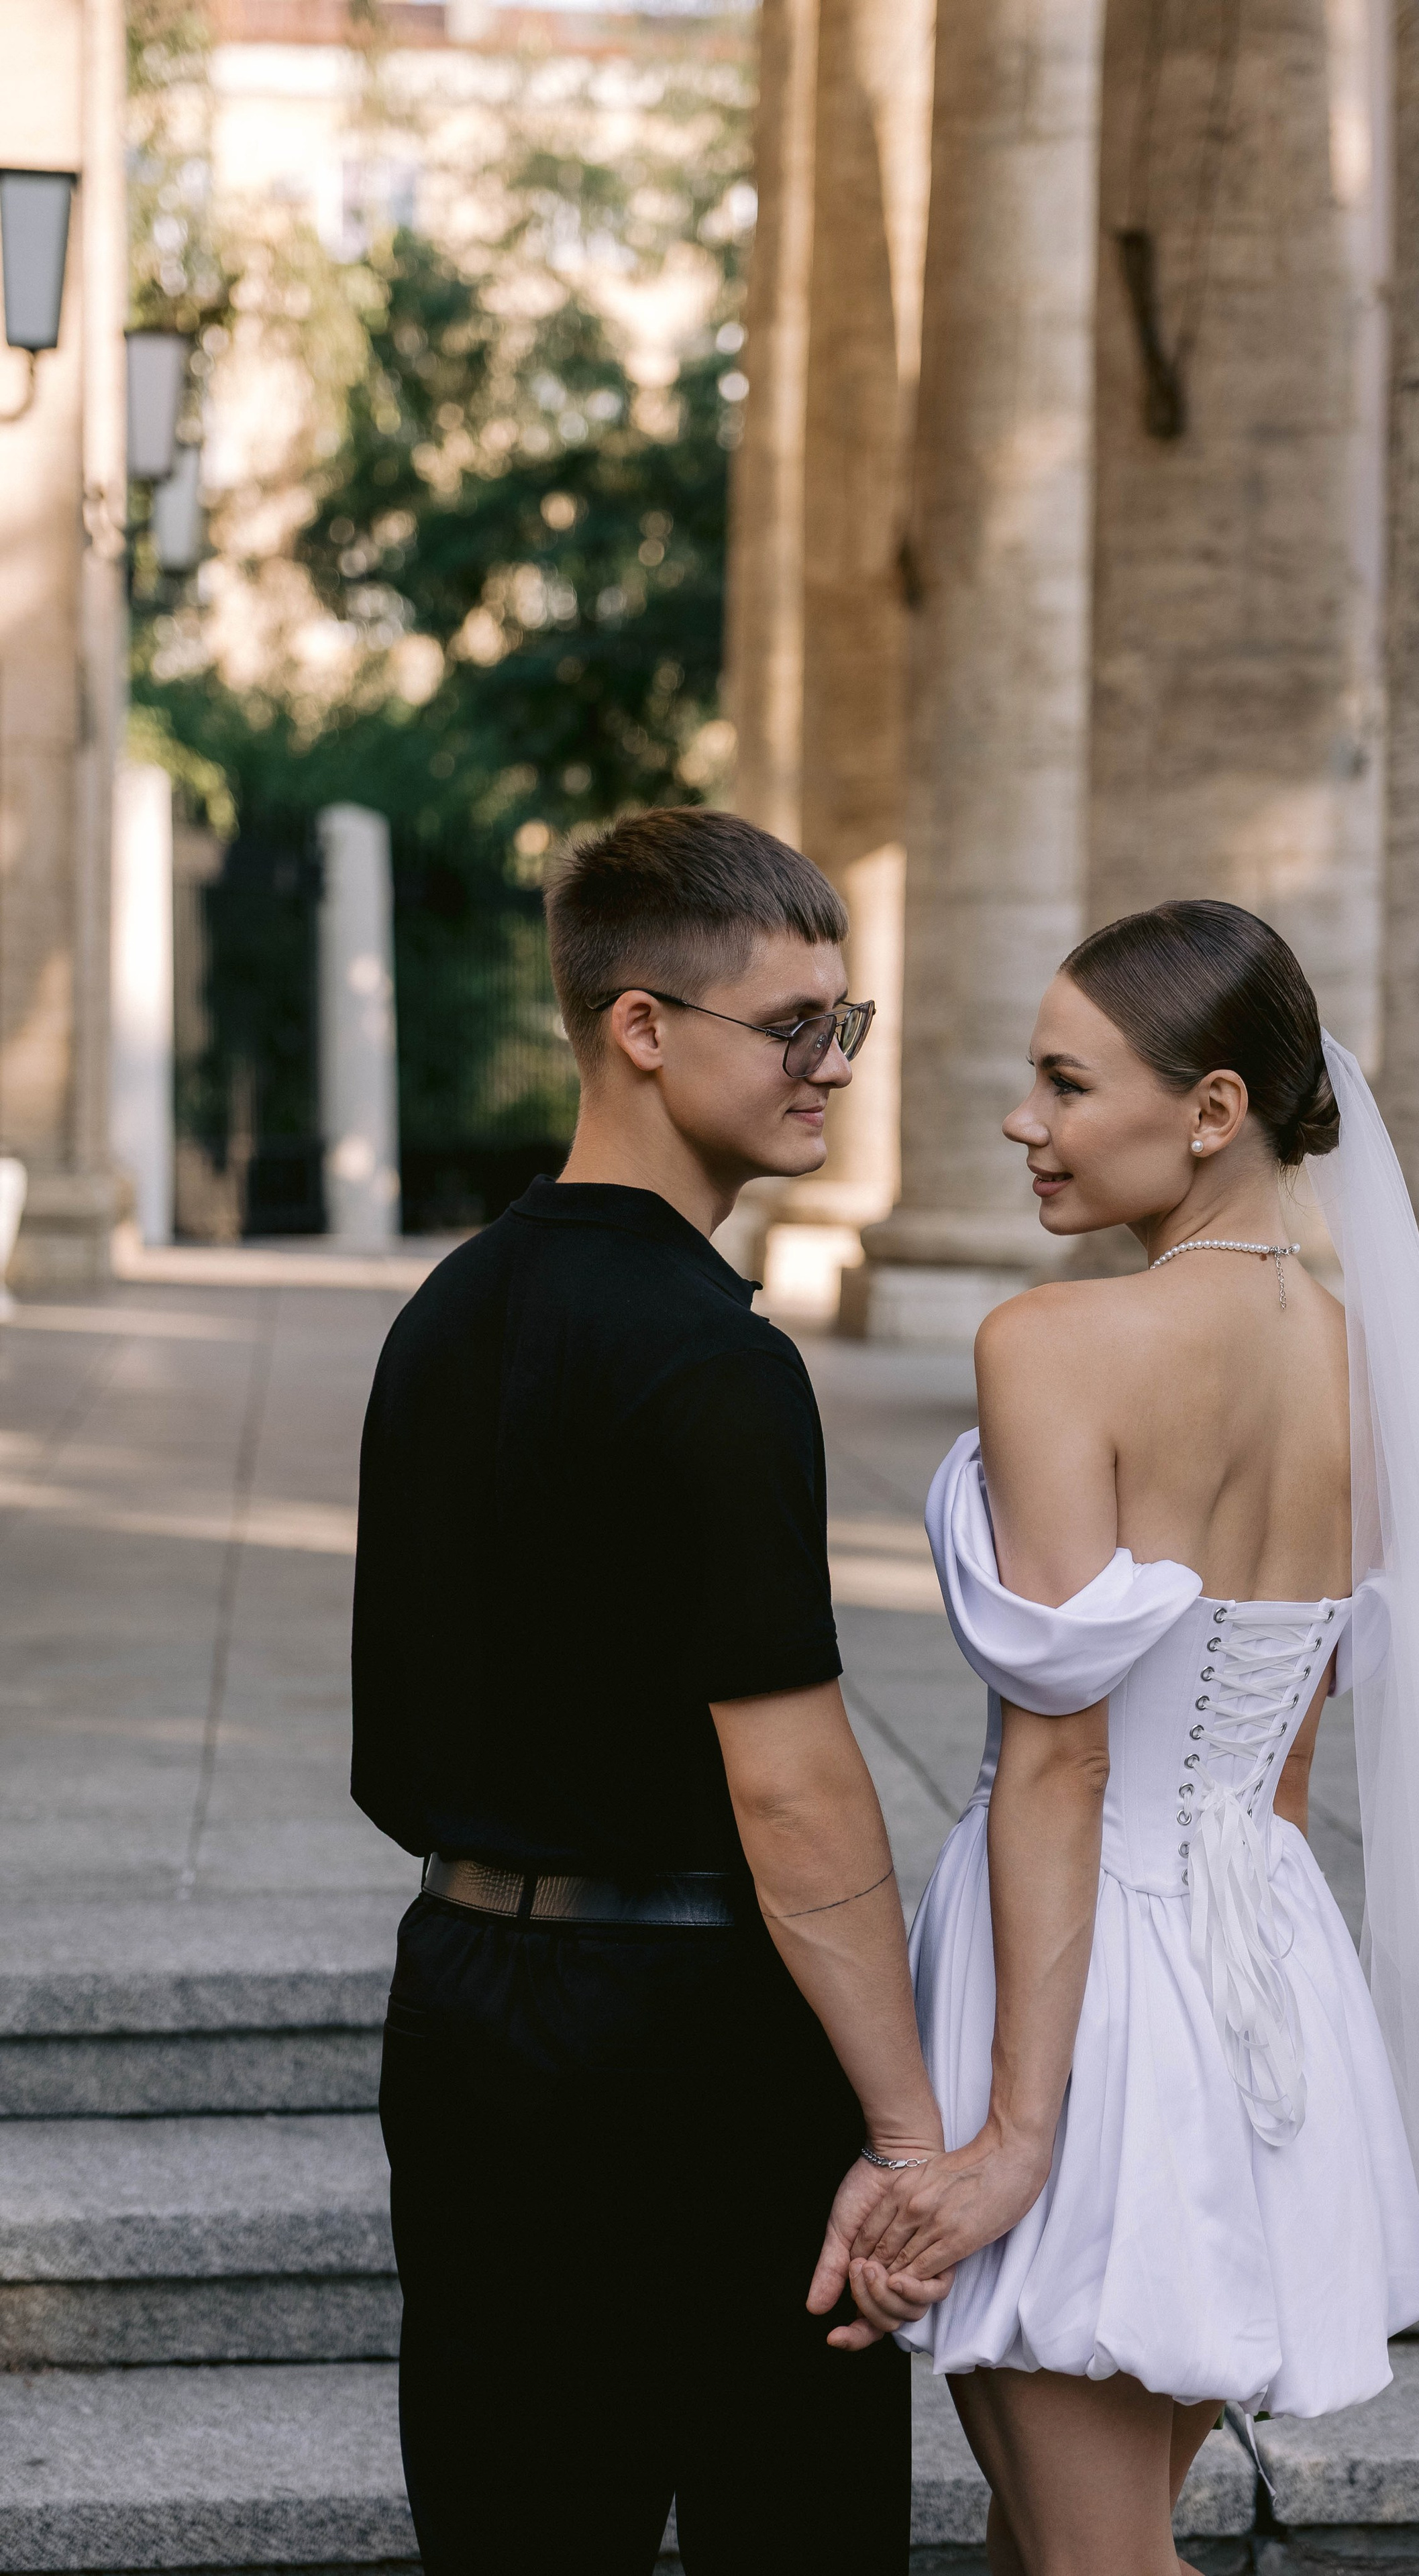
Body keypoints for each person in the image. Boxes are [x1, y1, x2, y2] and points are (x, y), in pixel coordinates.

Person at [833, 902, 1419, 2576]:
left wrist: (1014, 2132)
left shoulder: (1052, 1344)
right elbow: (1283, 1763)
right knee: (1065, 2540)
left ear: (1210, 1109)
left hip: (1080, 1995)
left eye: (1065, 1085)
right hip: (1262, 1969)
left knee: (1092, 2563)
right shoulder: (1365, 1365)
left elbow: (1061, 1763)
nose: (1024, 1122)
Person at [350, 808, 946, 2575]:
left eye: (849, 1024)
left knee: (515, 2531)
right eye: (794, 1028)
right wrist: (910, 2136)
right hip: (696, 2034)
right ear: (641, 1027)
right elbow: (796, 1793)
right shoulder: (717, 1359)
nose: (833, 1067)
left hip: (463, 1999)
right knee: (796, 2528)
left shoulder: (442, 1314)